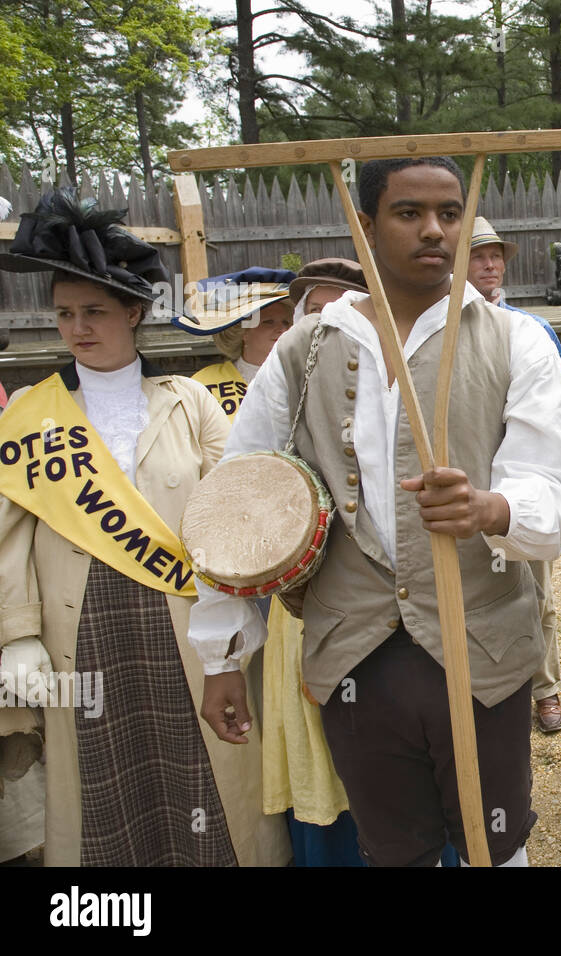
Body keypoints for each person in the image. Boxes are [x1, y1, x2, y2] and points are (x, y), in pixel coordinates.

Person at [189, 156, 561, 867]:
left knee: (494, 844)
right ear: (365, 225)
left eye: (450, 213)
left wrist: (491, 507)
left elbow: (554, 492)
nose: (434, 230)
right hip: (353, 648)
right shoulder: (305, 349)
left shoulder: (515, 340)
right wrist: (222, 654)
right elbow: (237, 505)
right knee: (394, 849)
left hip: (481, 645)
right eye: (409, 213)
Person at [0, 188, 290, 865]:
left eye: (95, 312)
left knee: (204, 770)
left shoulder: (190, 401)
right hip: (80, 632)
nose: (78, 328)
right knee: (100, 783)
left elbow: (240, 503)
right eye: (66, 314)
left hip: (189, 626)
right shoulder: (30, 417)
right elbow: (8, 538)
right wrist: (15, 636)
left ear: (135, 312)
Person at [175, 257, 369, 867]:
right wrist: (223, 656)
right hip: (303, 616)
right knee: (324, 767)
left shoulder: (404, 386)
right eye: (314, 311)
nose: (328, 322)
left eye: (345, 307)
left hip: (405, 620)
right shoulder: (277, 386)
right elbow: (230, 513)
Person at [466, 216, 561, 733]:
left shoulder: (532, 332)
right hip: (461, 495)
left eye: (496, 254)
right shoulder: (433, 335)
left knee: (537, 594)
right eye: (478, 254)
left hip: (518, 492)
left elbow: (554, 416)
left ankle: (545, 689)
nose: (490, 263)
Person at [176, 268, 297, 421]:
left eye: (286, 322)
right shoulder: (203, 383)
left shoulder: (303, 377)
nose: (282, 329)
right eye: (268, 322)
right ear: (242, 331)